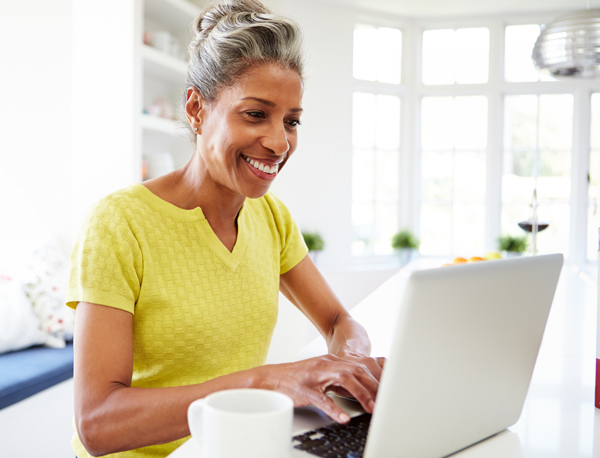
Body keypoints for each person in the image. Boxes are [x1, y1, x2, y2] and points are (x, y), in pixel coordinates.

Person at [66, 1, 383, 457]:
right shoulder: (120, 224)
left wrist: (350, 363)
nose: (279, 142)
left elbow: (337, 320)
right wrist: (266, 381)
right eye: (256, 114)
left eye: (291, 121)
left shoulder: (271, 218)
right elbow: (97, 423)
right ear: (197, 108)